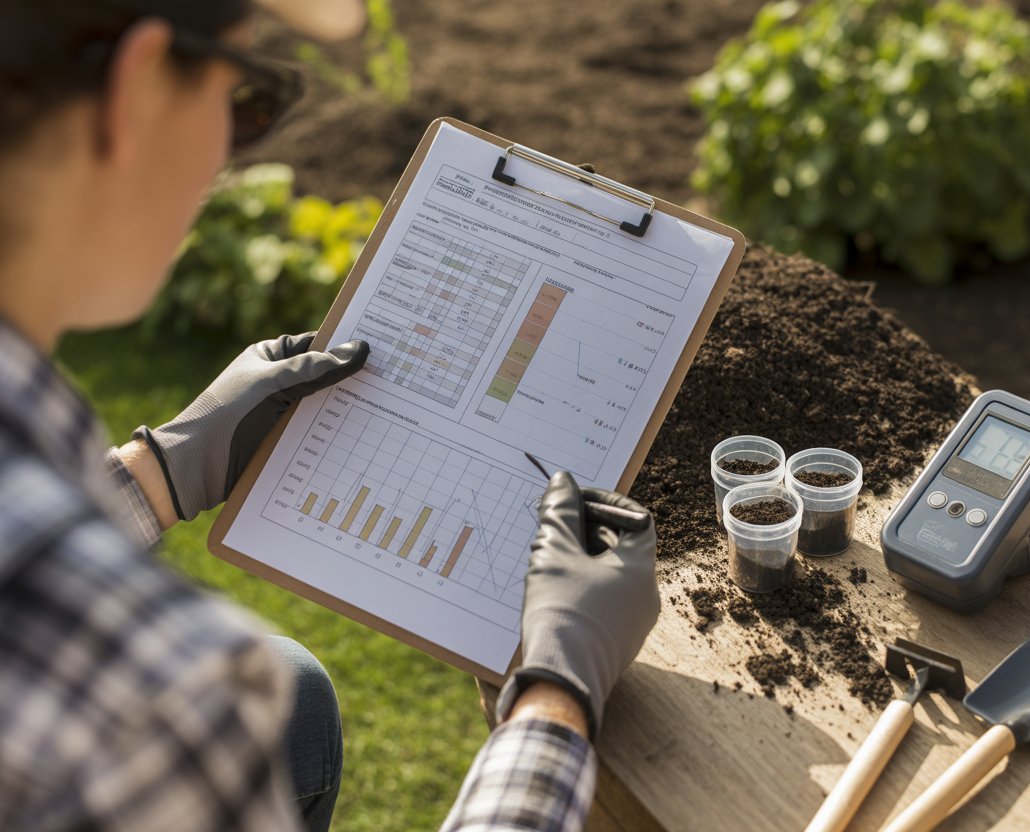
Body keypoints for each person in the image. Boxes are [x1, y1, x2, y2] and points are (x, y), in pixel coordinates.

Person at [0, 1, 661, 830]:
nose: (232, 146)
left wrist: (159, 471)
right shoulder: (163, 708)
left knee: (296, 702)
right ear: (134, 95)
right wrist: (557, 696)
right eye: (245, 99)